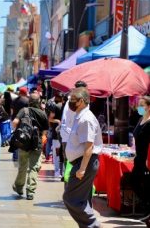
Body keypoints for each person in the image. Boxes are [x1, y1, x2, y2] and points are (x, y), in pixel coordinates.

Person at [62, 87, 103, 228]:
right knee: (82, 200)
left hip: (84, 163)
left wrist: (82, 169)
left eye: (73, 99)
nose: (70, 102)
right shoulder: (79, 116)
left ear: (82, 101)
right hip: (81, 162)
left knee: (70, 198)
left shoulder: (86, 119)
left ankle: (92, 225)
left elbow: (89, 147)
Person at [12, 93, 49, 200]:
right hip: (36, 144)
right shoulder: (42, 113)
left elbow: (15, 122)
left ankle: (19, 187)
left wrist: (17, 132)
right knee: (33, 167)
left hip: (23, 143)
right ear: (39, 102)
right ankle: (30, 192)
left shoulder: (24, 110)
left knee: (22, 167)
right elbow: (46, 130)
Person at [131, 96, 150, 227]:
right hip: (138, 158)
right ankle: (148, 209)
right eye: (139, 105)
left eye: (142, 105)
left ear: (148, 107)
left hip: (146, 159)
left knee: (146, 186)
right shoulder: (140, 120)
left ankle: (148, 212)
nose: (139, 107)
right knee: (135, 182)